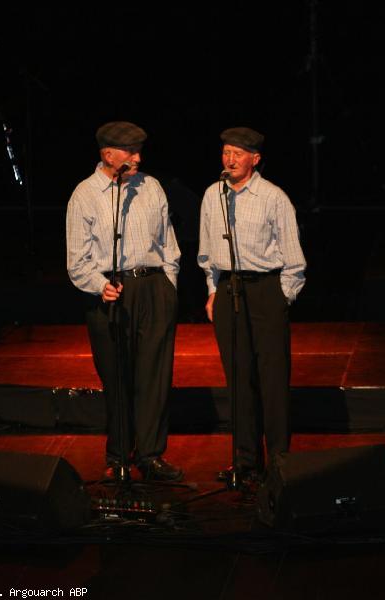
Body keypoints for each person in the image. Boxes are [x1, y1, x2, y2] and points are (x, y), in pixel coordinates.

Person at [66, 121, 183, 481]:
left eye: (139, 151)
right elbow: (76, 259)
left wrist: (168, 284)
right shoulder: (85, 195)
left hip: (153, 287)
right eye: (130, 152)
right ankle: (118, 456)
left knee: (154, 377)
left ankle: (150, 454)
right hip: (110, 291)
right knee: (117, 376)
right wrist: (99, 285)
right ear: (108, 155)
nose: (138, 158)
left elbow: (167, 241)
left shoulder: (151, 186)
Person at [198, 126, 306, 483]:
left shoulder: (273, 197)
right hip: (228, 290)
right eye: (226, 152)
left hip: (265, 289)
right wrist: (212, 289)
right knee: (238, 379)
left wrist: (280, 296)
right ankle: (245, 461)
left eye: (238, 154)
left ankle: (278, 461)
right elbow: (206, 251)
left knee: (272, 379)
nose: (230, 160)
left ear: (255, 159)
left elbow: (294, 259)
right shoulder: (213, 195)